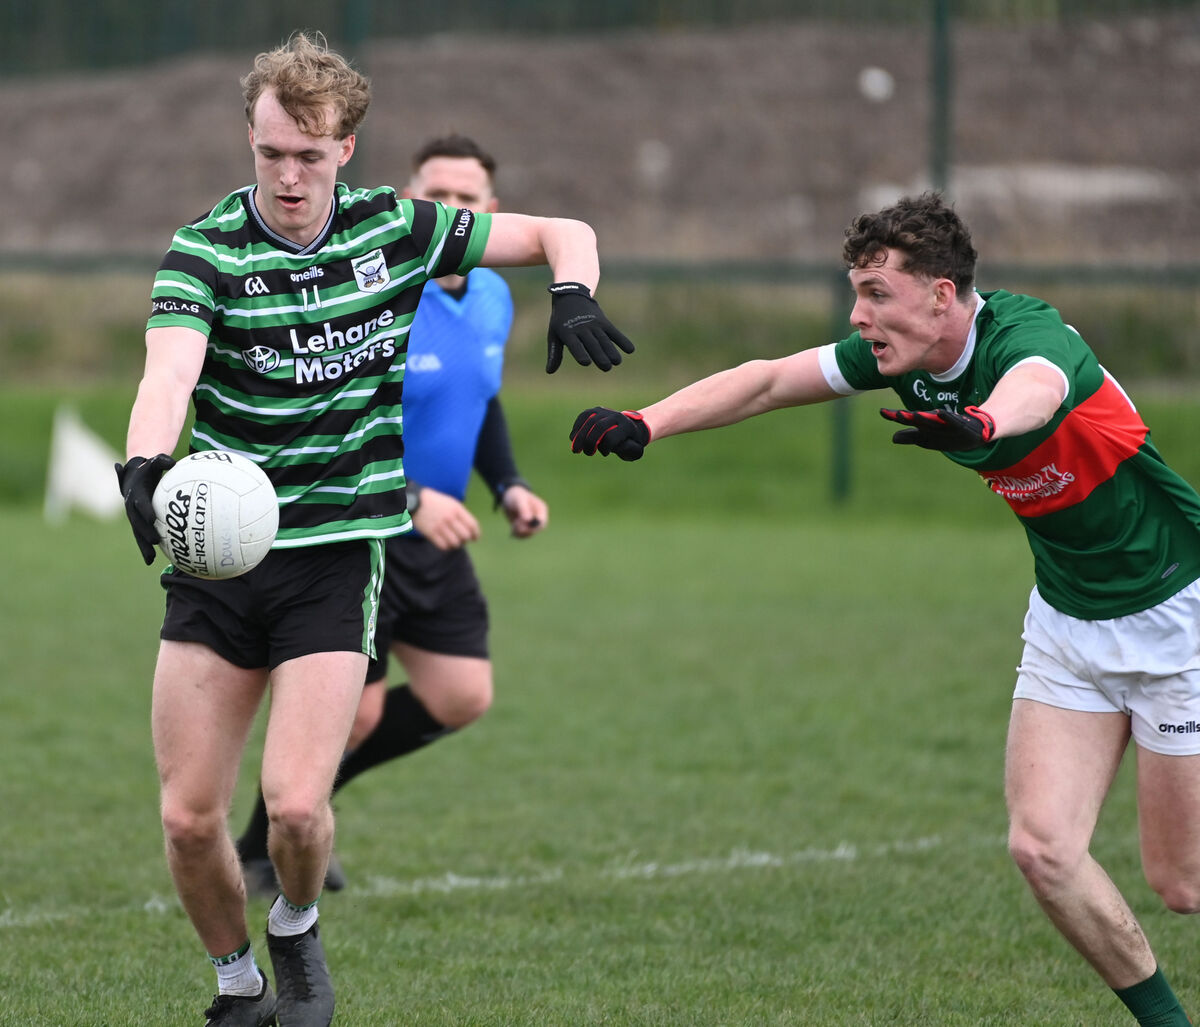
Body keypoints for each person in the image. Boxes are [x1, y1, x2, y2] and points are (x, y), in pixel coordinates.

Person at [568, 191, 1200, 1027]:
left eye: (876, 293)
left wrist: (980, 424)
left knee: (1182, 882)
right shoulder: (901, 353)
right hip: (1068, 616)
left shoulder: (1024, 335)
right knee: (1042, 847)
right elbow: (765, 382)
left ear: (941, 294)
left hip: (1176, 611)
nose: (859, 315)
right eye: (857, 293)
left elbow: (1037, 391)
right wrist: (648, 420)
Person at [115, 33, 632, 1027]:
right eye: (271, 155)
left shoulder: (400, 228)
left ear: (347, 147)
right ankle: (236, 984)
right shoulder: (208, 249)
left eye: (310, 156)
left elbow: (563, 227)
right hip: (220, 565)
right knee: (187, 820)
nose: (290, 177)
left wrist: (572, 288)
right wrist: (146, 460)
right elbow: (168, 372)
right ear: (251, 141)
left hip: (336, 556)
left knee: (300, 806)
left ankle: (298, 928)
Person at [234, 133, 549, 898]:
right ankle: (265, 844)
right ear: (409, 201)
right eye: (433, 195)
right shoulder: (377, 291)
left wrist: (506, 482)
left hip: (436, 534)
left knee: (462, 694)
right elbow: (327, 419)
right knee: (360, 714)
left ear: (490, 212)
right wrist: (411, 496)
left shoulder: (495, 296)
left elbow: (481, 399)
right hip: (362, 530)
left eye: (466, 199)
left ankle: (290, 825)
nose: (449, 211)